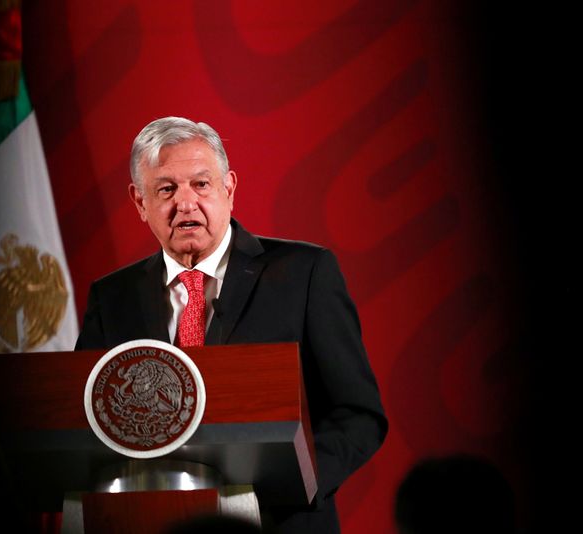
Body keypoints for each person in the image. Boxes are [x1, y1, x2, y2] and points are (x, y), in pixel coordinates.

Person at [76, 116, 387, 533]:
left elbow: (358, 414)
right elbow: (84, 423)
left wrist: (293, 483)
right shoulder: (112, 297)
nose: (185, 203)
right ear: (139, 202)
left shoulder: (304, 273)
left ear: (229, 188)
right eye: (166, 189)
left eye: (201, 185)